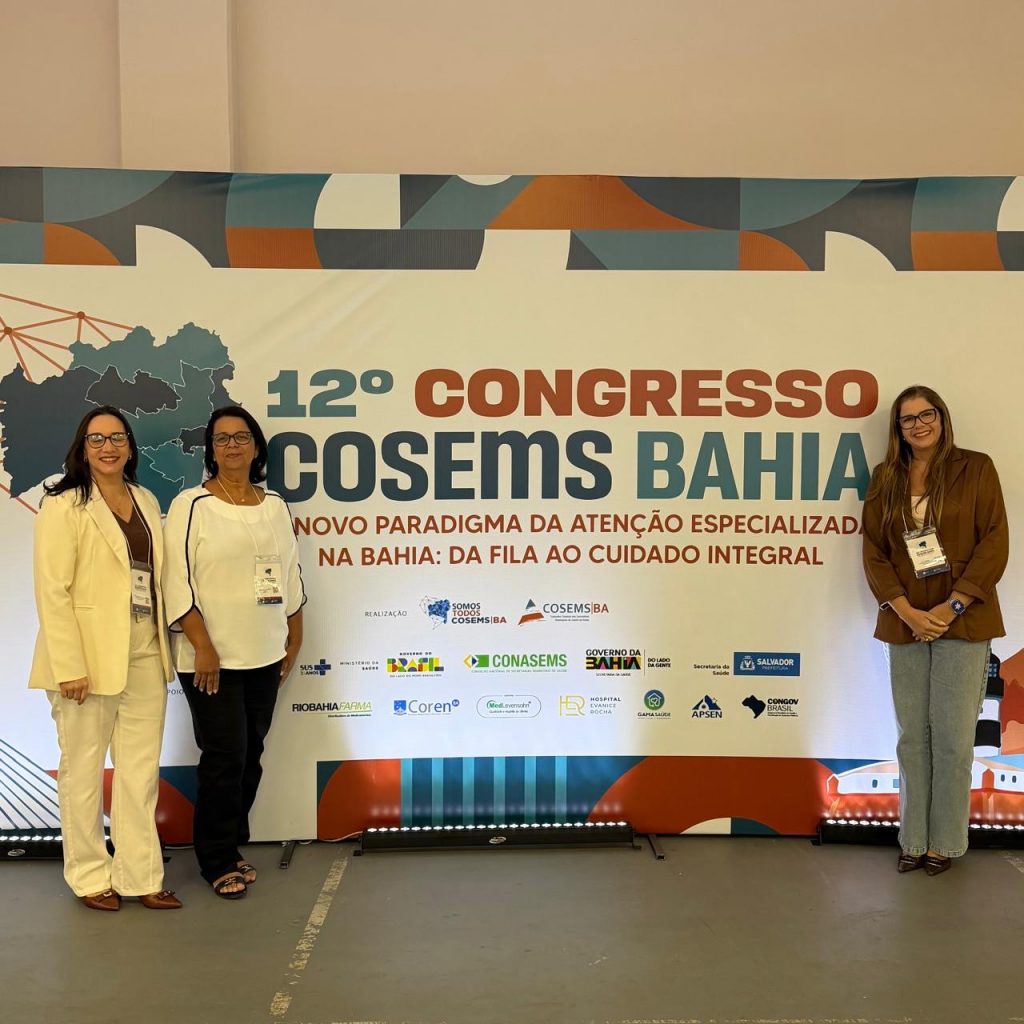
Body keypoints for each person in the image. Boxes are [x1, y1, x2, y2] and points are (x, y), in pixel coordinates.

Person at [30, 406, 181, 910]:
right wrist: (68, 666)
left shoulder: (145, 499)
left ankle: (141, 875)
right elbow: (53, 590)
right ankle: (90, 876)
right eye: (96, 439)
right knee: (83, 771)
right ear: (82, 448)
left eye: (117, 438)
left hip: (145, 649)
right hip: (86, 660)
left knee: (140, 771)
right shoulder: (64, 504)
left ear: (130, 446)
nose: (108, 447)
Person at [862, 385, 1009, 875]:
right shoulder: (886, 477)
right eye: (908, 419)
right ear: (898, 429)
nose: (919, 425)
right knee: (912, 736)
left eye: (927, 415)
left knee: (952, 737)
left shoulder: (977, 468)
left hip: (963, 619)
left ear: (942, 418)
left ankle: (944, 841)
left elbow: (994, 542)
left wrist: (953, 605)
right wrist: (906, 610)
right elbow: (874, 551)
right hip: (904, 620)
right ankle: (913, 837)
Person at [163, 405, 305, 899]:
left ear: (256, 446)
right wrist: (203, 646)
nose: (232, 445)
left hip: (264, 652)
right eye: (221, 438)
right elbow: (176, 581)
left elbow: (289, 573)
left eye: (241, 436)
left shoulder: (275, 505)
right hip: (210, 659)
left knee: (251, 756)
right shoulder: (192, 505)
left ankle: (230, 843)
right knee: (225, 757)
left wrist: (295, 636)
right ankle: (217, 859)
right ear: (210, 449)